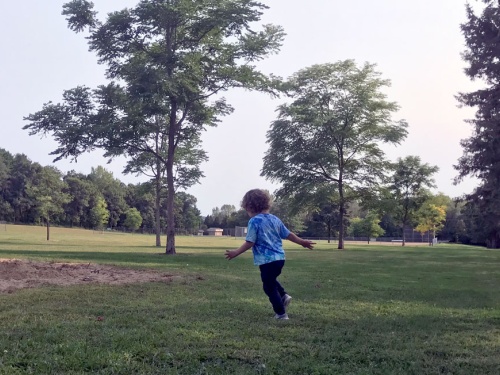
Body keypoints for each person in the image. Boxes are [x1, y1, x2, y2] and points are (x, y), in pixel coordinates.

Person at [225, 189, 315, 320]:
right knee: (270, 280)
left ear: (250, 206)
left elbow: (250, 242)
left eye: (246, 209)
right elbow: (288, 234)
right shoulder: (275, 219)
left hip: (266, 260)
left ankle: (281, 313)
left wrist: (235, 252)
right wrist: (302, 242)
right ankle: (283, 295)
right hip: (280, 258)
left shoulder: (254, 221)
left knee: (268, 286)